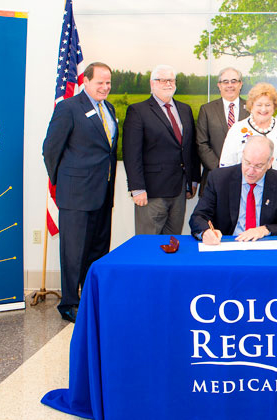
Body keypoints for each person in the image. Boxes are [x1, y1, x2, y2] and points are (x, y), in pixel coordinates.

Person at [42, 62, 118, 323]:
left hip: (102, 194)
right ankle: (69, 304)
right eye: (100, 82)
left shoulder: (109, 108)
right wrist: (62, 183)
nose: (105, 87)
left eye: (108, 83)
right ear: (85, 81)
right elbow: (51, 149)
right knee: (73, 253)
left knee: (97, 251)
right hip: (75, 195)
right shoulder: (68, 108)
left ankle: (90, 298)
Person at [122, 64, 200, 235]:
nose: (168, 84)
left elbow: (190, 148)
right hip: (151, 192)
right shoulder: (138, 111)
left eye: (171, 80)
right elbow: (131, 153)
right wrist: (137, 189)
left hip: (179, 190)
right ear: (152, 84)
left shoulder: (184, 110)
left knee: (172, 242)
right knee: (148, 244)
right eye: (162, 80)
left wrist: (193, 180)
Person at [189, 136, 277, 244]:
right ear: (242, 156)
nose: (250, 171)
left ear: (270, 162)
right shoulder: (219, 179)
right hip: (228, 244)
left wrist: (265, 230)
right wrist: (205, 232)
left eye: (258, 166)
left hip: (264, 245)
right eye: (247, 163)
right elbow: (198, 217)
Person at [219, 82, 277, 199]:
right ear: (251, 106)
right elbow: (226, 167)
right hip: (244, 197)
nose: (263, 109)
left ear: (274, 106)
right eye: (259, 104)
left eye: (268, 105)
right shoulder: (237, 130)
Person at [196, 67, 250, 194]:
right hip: (214, 177)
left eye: (234, 81)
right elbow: (201, 144)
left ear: (240, 84)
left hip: (246, 179)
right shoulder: (207, 110)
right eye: (225, 82)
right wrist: (221, 169)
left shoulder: (251, 109)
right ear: (219, 85)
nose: (230, 85)